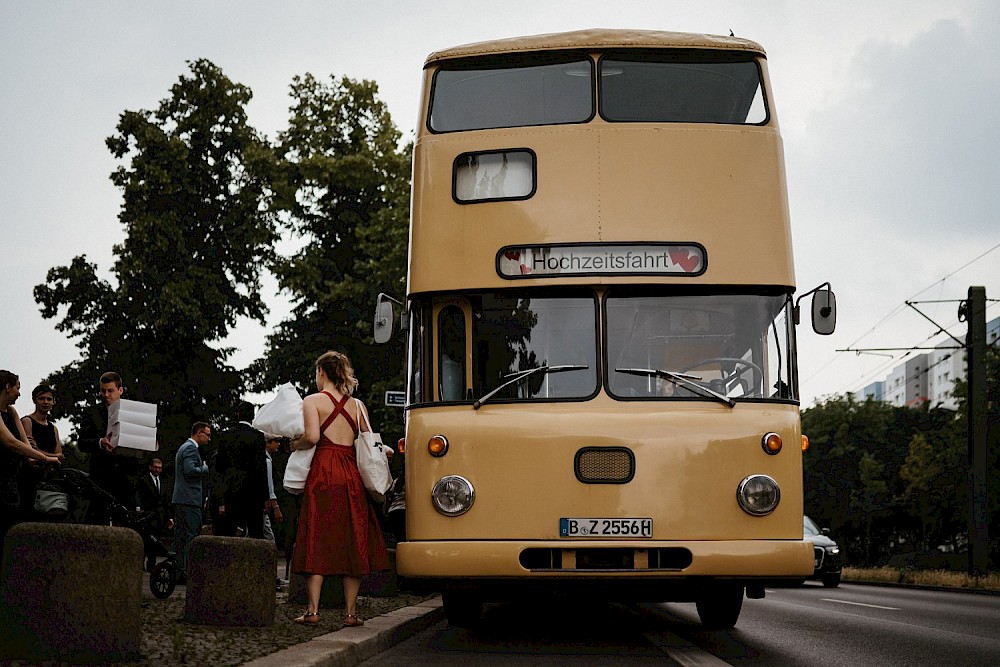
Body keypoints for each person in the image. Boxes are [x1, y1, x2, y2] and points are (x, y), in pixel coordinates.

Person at [290, 351, 389, 626]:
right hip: (350, 472)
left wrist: (294, 445)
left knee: (316, 536)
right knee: (353, 537)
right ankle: (350, 613)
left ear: (322, 371)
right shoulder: (357, 405)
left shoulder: (312, 401)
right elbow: (369, 440)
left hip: (323, 471)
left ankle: (312, 611)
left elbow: (311, 437)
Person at [1, 371, 61, 561]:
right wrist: (45, 458)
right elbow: (11, 443)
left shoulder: (11, 412)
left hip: (10, 480)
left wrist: (37, 456)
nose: (19, 393)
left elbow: (24, 444)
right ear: (8, 387)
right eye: (17, 387)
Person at [79, 371, 139, 516]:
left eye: (110, 391)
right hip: (100, 480)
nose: (106, 395)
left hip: (127, 480)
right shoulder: (91, 413)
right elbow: (82, 443)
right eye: (103, 391)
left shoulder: (134, 413)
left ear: (120, 390)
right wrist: (100, 442)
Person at [212, 401, 268, 538]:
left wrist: (220, 499)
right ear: (253, 416)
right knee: (255, 534)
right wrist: (265, 497)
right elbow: (261, 469)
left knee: (229, 534)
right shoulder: (258, 437)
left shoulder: (226, 436)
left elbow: (219, 469)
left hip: (230, 492)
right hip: (252, 493)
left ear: (237, 415)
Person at [172, 422, 211, 585]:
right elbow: (190, 471)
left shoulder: (184, 447)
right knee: (191, 536)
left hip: (181, 498)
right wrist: (205, 469)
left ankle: (180, 571)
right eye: (207, 435)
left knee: (180, 537)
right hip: (189, 499)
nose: (209, 438)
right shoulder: (190, 449)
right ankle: (188, 571)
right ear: (198, 433)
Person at [19, 383, 65, 516]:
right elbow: (28, 452)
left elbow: (60, 456)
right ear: (34, 400)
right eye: (41, 398)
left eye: (49, 399)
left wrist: (39, 451)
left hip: (48, 479)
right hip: (28, 478)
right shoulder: (27, 421)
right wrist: (51, 456)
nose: (45, 402)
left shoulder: (53, 428)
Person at [136, 457, 172, 570]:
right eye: (155, 467)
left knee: (155, 541)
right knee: (145, 540)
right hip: (147, 515)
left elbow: (166, 501)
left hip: (159, 517)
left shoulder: (164, 482)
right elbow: (138, 494)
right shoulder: (143, 480)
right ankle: (140, 564)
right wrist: (138, 508)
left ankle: (151, 565)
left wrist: (170, 517)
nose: (157, 470)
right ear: (150, 467)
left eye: (159, 468)